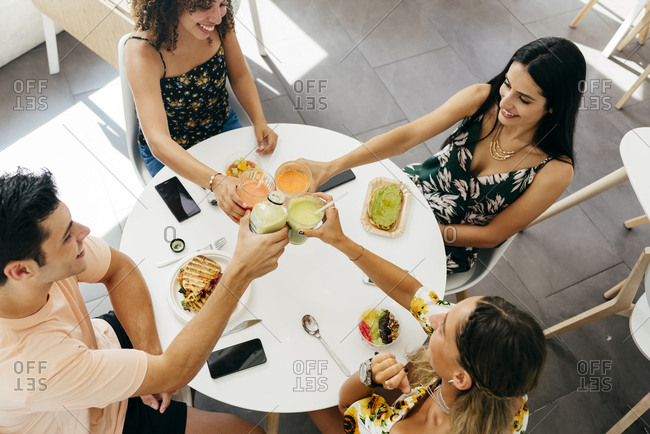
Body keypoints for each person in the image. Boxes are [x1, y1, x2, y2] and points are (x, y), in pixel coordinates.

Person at [0, 169, 289, 433]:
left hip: (99, 347)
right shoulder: (32, 367)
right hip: (98, 422)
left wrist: (149, 353)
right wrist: (239, 274)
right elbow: (174, 372)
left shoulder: (38, 264)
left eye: (71, 222)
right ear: (21, 270)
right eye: (67, 236)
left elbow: (119, 269)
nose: (84, 231)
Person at [300, 37, 586, 274]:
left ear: (553, 107)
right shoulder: (481, 97)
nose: (505, 102)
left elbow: (493, 235)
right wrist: (332, 167)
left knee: (357, 272)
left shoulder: (555, 170)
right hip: (408, 194)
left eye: (524, 99)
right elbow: (406, 137)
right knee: (324, 240)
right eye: (508, 84)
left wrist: (433, 232)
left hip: (448, 238)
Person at [304, 194, 546, 434]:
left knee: (311, 398)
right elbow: (412, 293)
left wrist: (369, 375)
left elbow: (347, 405)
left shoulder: (396, 430)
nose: (434, 318)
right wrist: (341, 240)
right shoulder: (504, 382)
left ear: (461, 378)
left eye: (443, 328)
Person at [124, 0, 278, 222]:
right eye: (205, 6)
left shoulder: (221, 21)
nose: (217, 18)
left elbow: (241, 75)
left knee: (255, 200)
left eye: (223, 3)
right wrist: (215, 180)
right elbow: (158, 141)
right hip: (172, 152)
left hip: (221, 125)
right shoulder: (142, 50)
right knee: (192, 221)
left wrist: (259, 120)